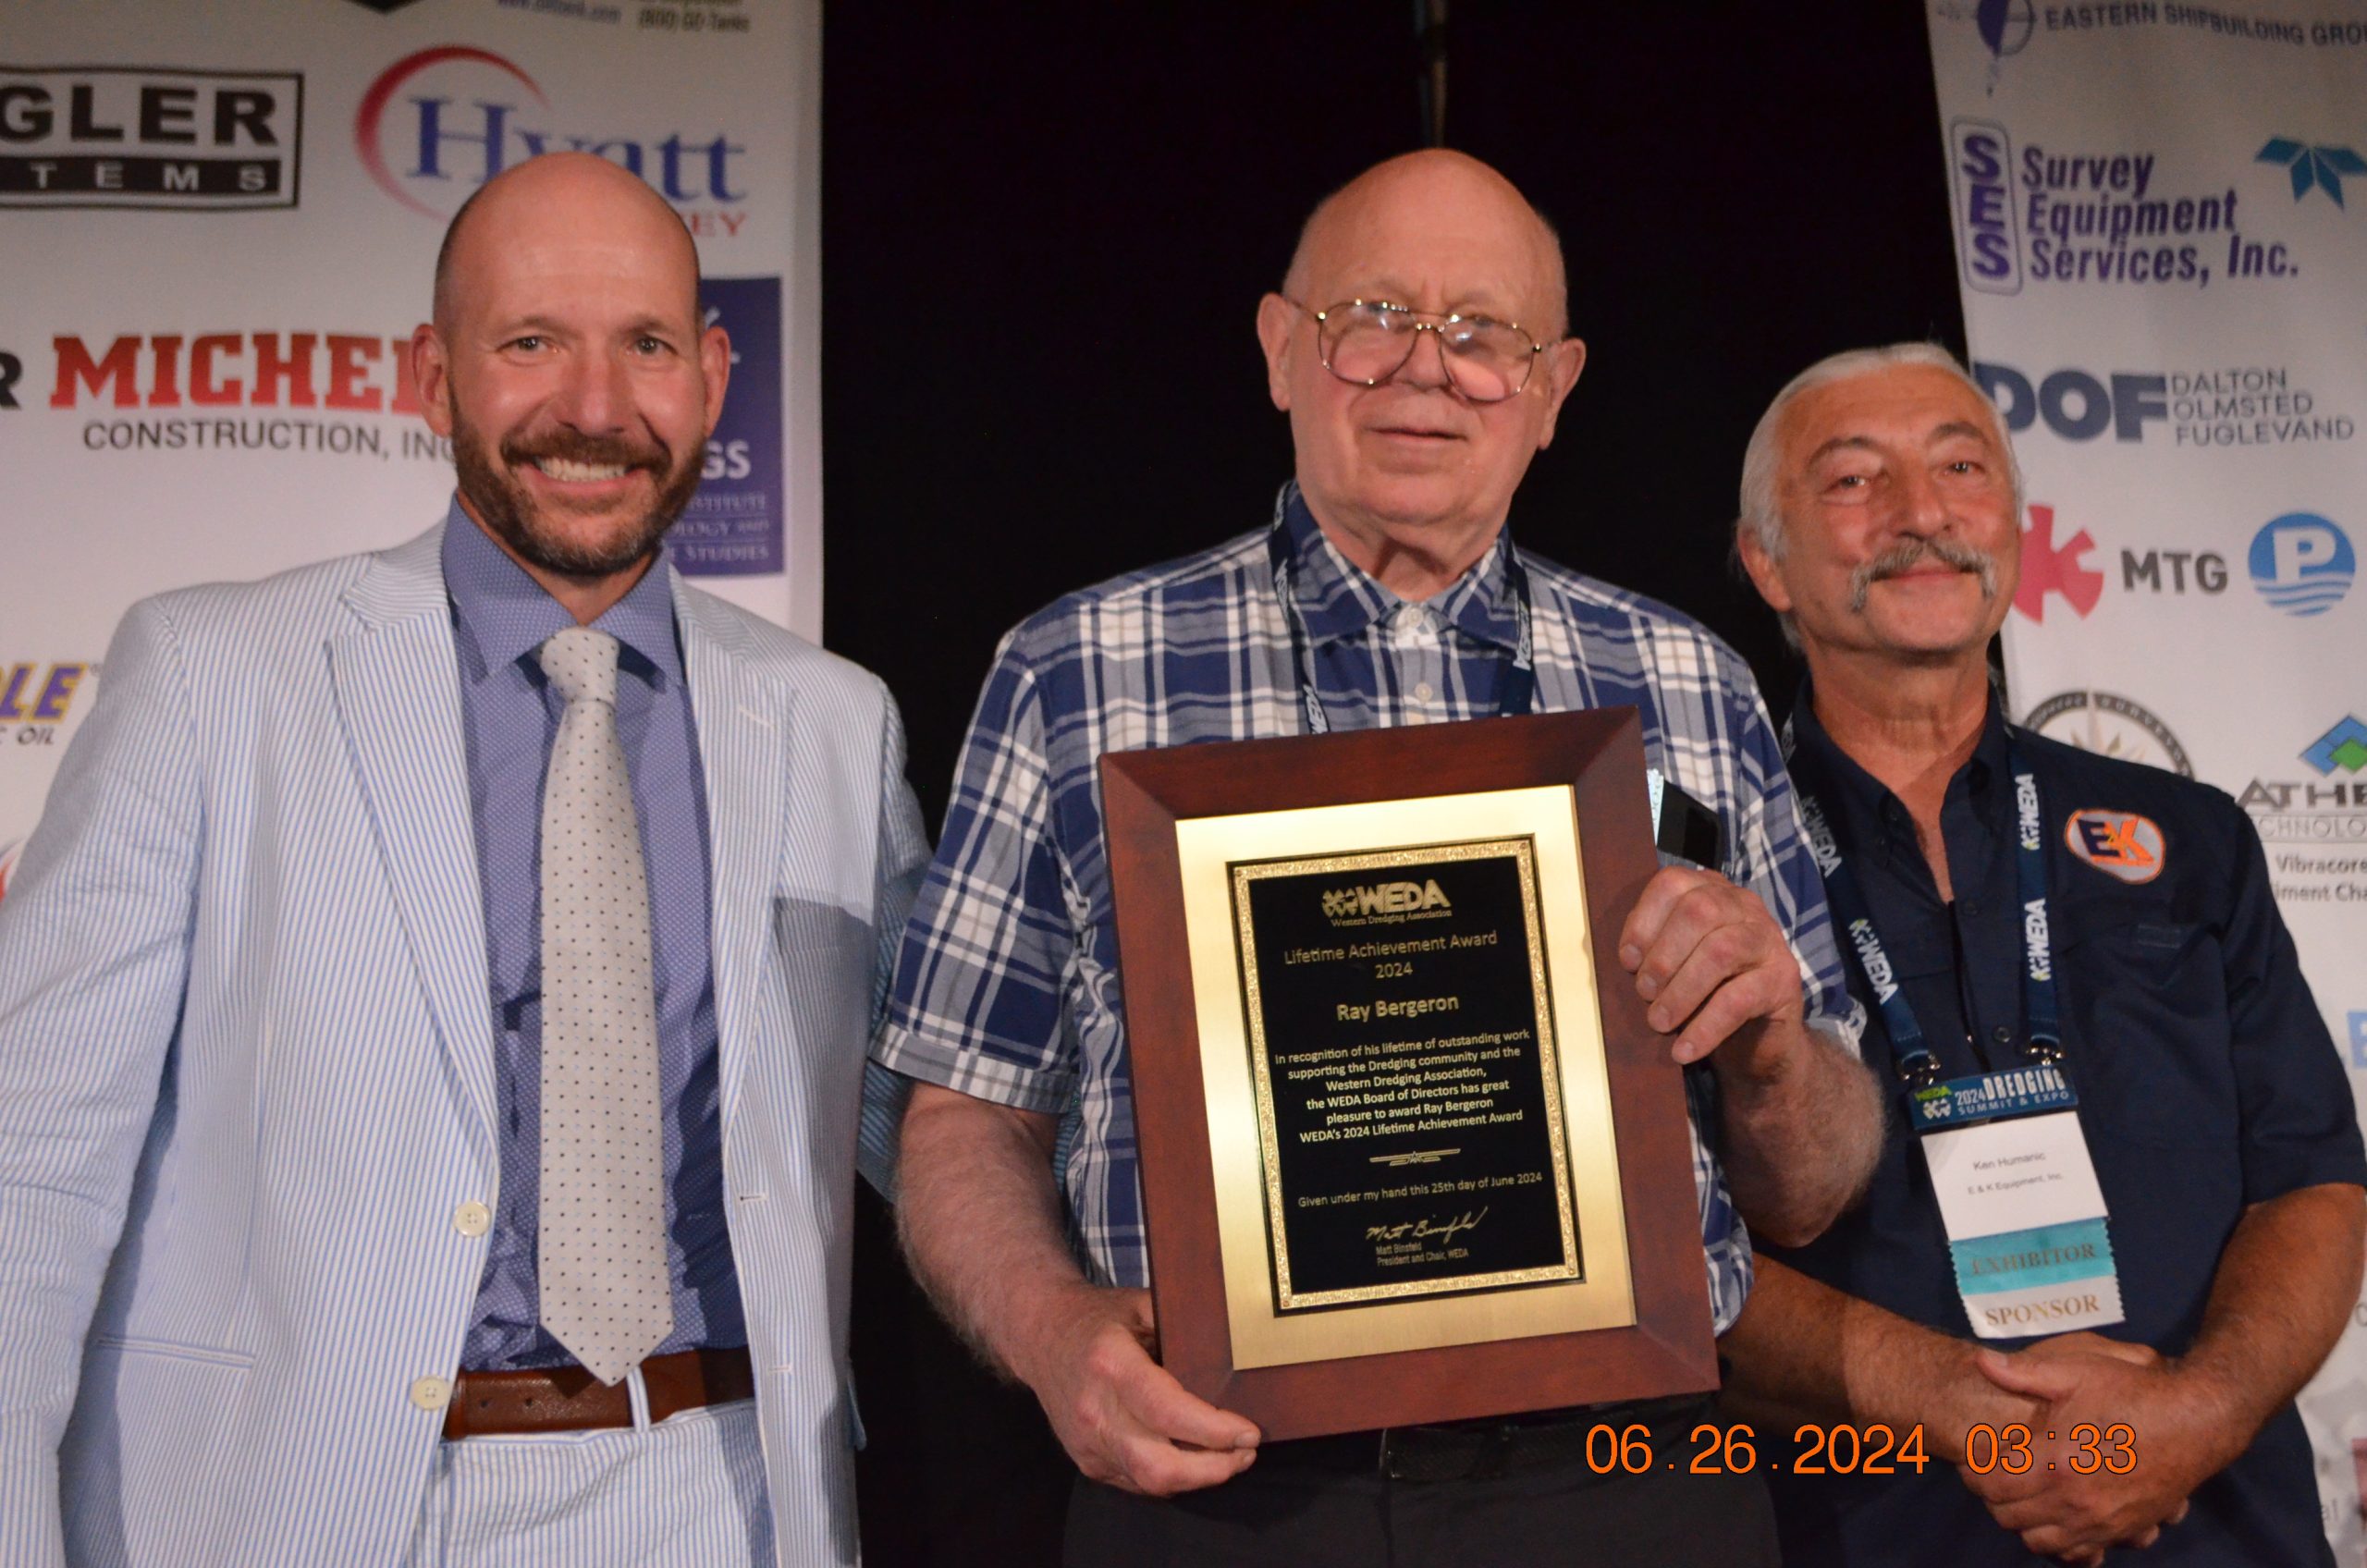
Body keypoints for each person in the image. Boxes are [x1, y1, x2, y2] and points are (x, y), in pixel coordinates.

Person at [873, 149, 1885, 1565]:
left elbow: (1815, 1184)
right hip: (1221, 1489)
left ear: (1554, 391)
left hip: (1627, 1479)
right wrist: (1054, 1339)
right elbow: (964, 1111)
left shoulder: (1688, 680)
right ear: (1283, 349)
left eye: (1484, 334)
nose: (1426, 368)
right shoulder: (1073, 670)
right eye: (1372, 316)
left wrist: (1771, 1041)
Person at [0, 153, 926, 1567]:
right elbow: (33, 1164)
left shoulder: (831, 725)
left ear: (716, 375)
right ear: (432, 378)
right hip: (300, 1508)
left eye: (647, 347)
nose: (595, 408)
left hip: (727, 1497)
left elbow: (928, 1123)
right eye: (532, 342)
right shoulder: (210, 676)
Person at [1723, 341, 2367, 1566]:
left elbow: (2314, 1181)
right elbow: (1670, 1253)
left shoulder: (2189, 836)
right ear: (1768, 560)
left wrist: (2196, 1413)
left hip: (2213, 1521)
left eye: (1961, 468)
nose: (1923, 516)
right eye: (1856, 482)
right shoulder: (1701, 868)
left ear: (2014, 526)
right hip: (1870, 1529)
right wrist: (1962, 1412)